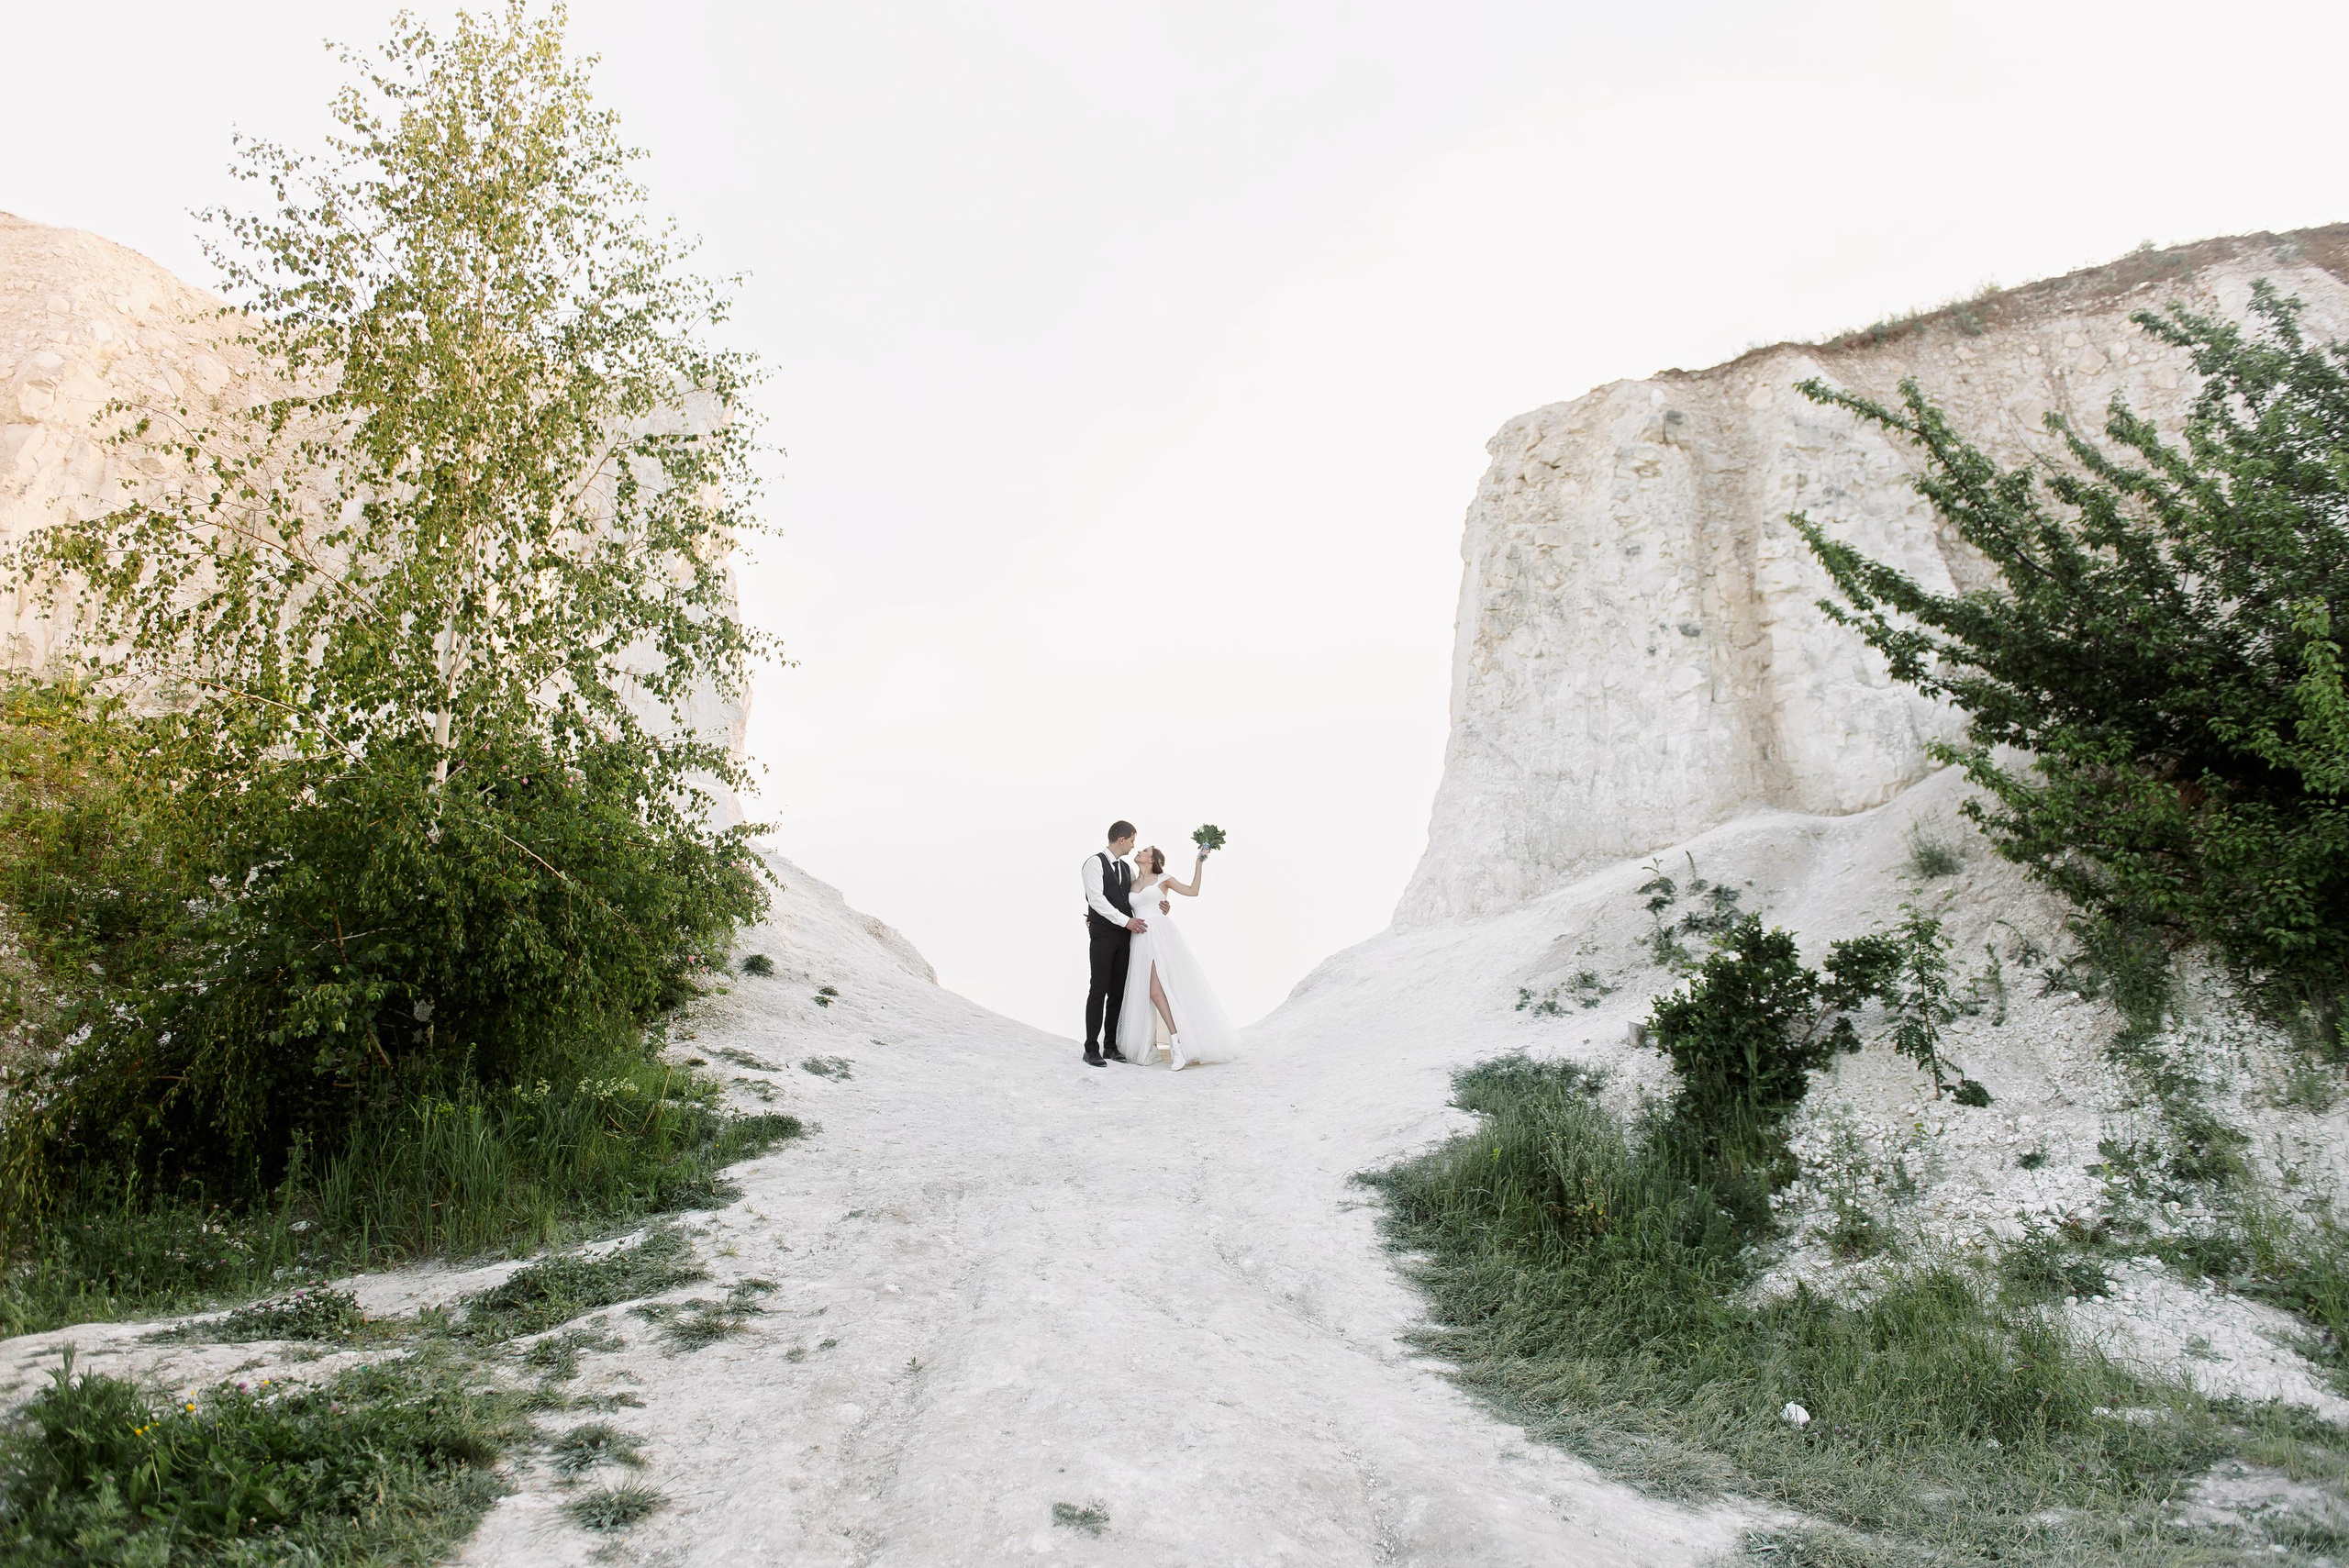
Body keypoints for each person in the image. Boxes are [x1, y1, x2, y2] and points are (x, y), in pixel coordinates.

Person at [1115, 843, 1241, 1070]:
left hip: (1160, 934)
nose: (1139, 851)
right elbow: (1121, 908)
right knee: (1146, 992)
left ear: (1152, 859)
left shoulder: (1164, 878)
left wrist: (1199, 863)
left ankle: (1178, 1043)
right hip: (1140, 939)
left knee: (1157, 991)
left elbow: (1193, 891)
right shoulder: (1131, 883)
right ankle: (1157, 1043)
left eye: (1144, 851)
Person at [1080, 821, 1152, 1067]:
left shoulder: (1125, 868)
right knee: (1098, 989)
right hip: (1103, 935)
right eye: (1132, 840)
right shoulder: (1094, 863)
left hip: (1124, 936)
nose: (1134, 845)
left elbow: (1135, 897)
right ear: (1121, 839)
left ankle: (1111, 1045)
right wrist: (1125, 921)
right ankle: (1091, 1048)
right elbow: (1096, 900)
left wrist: (1159, 904)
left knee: (1118, 991)